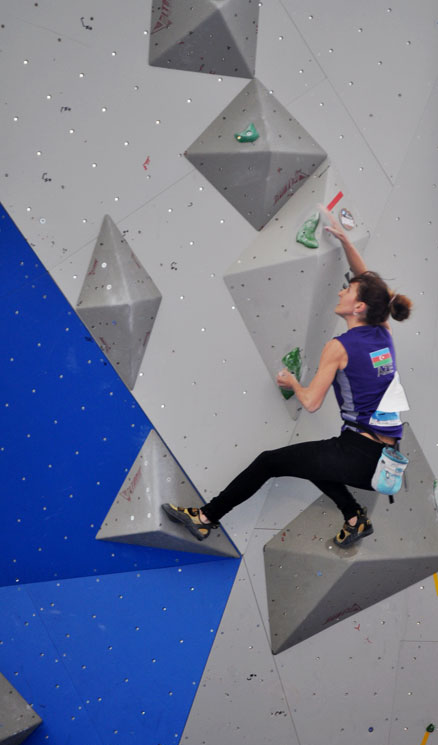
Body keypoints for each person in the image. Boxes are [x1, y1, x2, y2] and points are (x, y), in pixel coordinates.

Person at [162, 210, 412, 547]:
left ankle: (206, 518)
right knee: (313, 461)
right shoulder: (383, 333)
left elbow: (310, 403)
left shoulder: (339, 347)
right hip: (384, 458)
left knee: (270, 462)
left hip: (359, 453)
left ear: (359, 308)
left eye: (348, 291)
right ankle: (354, 518)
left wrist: (292, 382)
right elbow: (366, 276)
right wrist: (344, 240)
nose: (341, 293)